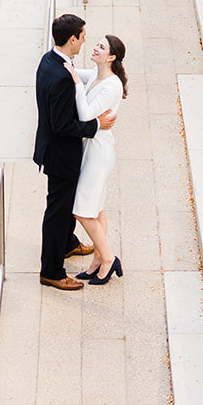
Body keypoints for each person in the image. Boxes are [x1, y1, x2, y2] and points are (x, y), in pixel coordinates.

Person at [34, 14, 116, 291]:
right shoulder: (60, 77)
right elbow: (62, 126)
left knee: (64, 206)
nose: (84, 42)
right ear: (72, 39)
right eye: (82, 36)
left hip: (54, 150)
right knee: (58, 212)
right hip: (61, 155)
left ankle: (68, 244)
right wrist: (97, 125)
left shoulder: (50, 60)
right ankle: (52, 271)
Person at [72, 34, 127, 283]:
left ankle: (107, 258)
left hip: (99, 152)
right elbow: (74, 71)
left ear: (112, 57)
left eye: (101, 47)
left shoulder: (112, 85)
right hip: (91, 149)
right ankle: (98, 259)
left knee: (82, 211)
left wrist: (76, 85)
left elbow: (85, 115)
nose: (95, 47)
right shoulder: (96, 75)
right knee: (96, 208)